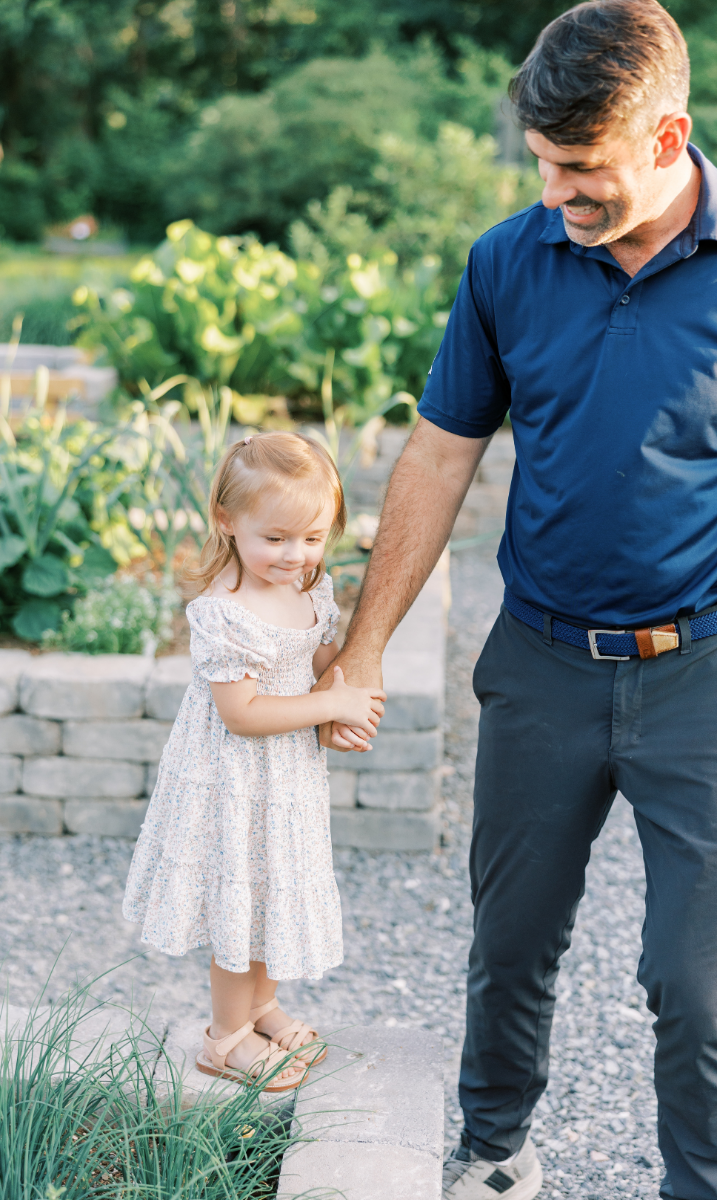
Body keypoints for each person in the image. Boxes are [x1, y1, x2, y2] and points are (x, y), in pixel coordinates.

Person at [314, 4, 717, 1197]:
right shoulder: (505, 260)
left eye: (581, 169)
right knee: (508, 944)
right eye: (542, 165)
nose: (554, 195)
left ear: (664, 138)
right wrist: (363, 647)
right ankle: (492, 1157)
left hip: (697, 667)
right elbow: (441, 455)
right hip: (539, 656)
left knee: (694, 980)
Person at [123, 432, 385, 1092]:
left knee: (271, 891)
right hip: (232, 780)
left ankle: (261, 1006)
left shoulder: (307, 590)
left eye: (313, 539)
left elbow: (314, 661)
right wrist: (332, 705)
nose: (295, 556)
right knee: (237, 901)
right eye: (276, 538)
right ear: (226, 520)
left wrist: (343, 687)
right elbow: (242, 713)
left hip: (286, 776)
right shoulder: (224, 613)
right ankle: (224, 1036)